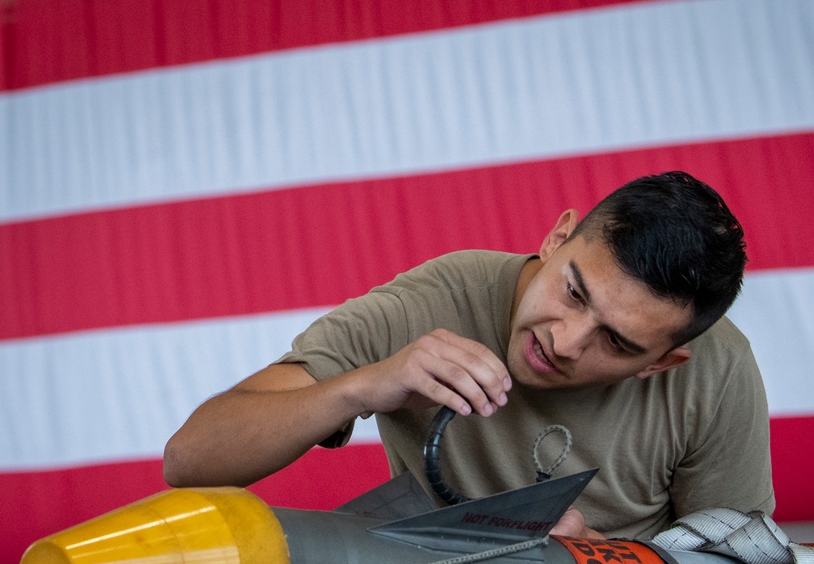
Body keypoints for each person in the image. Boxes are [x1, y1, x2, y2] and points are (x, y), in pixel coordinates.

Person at [164, 171, 774, 540]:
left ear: (660, 364)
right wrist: (364, 386)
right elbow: (190, 460)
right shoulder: (435, 302)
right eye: (572, 292)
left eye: (615, 343)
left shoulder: (718, 372)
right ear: (557, 238)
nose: (564, 341)